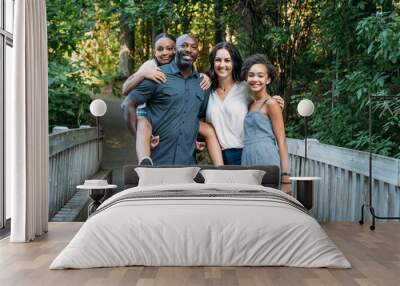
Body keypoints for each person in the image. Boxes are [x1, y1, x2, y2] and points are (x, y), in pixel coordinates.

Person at [121, 33, 223, 166]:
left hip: (188, 165)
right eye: (184, 45)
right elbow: (128, 103)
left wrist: (197, 139)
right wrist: (140, 139)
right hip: (157, 162)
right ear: (176, 50)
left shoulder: (202, 83)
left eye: (193, 47)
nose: (188, 49)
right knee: (143, 123)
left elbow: (198, 117)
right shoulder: (155, 73)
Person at [205, 42, 284, 165]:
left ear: (234, 63)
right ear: (212, 63)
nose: (222, 65)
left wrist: (274, 101)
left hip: (246, 153)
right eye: (218, 60)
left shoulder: (245, 88)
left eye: (227, 60)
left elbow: (262, 102)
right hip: (220, 157)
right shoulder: (207, 92)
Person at [240, 54, 291, 195]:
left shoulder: (271, 104)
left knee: (268, 201)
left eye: (260, 76)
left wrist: (286, 176)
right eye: (251, 75)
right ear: (246, 77)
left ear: (267, 79)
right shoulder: (250, 104)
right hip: (247, 157)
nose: (255, 79)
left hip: (266, 158)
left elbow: (281, 141)